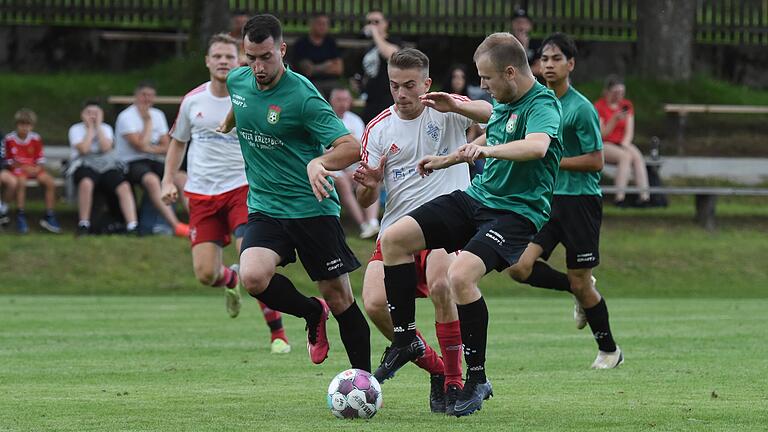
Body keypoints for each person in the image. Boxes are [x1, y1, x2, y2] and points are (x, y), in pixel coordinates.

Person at [372, 33, 563, 417]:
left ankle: (476, 379)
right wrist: (446, 160)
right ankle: (407, 338)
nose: (484, 86)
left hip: (515, 214)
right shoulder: (504, 101)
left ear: (510, 72)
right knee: (394, 239)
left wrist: (486, 149)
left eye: (488, 79)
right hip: (477, 199)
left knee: (460, 277)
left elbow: (537, 146)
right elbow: (486, 114)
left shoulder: (543, 104)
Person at [218, 14, 370, 371]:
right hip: (266, 207)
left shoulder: (303, 97)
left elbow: (350, 147)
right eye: (251, 57)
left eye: (266, 57)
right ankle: (310, 311)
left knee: (340, 298)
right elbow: (239, 103)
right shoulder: (238, 81)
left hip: (312, 208)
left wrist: (319, 163)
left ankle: (365, 381)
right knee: (253, 277)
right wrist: (227, 123)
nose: (258, 66)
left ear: (282, 50)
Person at [354, 48, 491, 415]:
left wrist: (457, 106)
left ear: (426, 84)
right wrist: (369, 183)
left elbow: (494, 114)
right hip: (398, 230)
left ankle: (453, 381)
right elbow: (365, 197)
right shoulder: (378, 128)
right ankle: (432, 365)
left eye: (410, 85)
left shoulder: (446, 109)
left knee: (442, 284)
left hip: (447, 224)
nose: (401, 94)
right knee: (373, 303)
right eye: (395, 86)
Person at [160, 33, 291, 354]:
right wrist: (167, 180)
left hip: (243, 189)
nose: (222, 61)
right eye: (216, 56)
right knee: (206, 274)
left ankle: (278, 335)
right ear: (207, 61)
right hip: (202, 193)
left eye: (229, 57)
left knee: (253, 265)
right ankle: (229, 281)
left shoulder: (252, 97)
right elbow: (178, 141)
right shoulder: (193, 101)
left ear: (241, 61)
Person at [507, 33, 622, 369]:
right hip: (545, 201)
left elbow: (597, 160)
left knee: (583, 281)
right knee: (518, 266)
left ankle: (609, 351)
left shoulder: (581, 108)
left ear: (570, 64)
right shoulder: (536, 103)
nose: (549, 64)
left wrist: (552, 159)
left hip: (580, 203)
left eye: (557, 58)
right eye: (544, 59)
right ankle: (575, 291)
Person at [114, 81, 189, 237]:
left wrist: (149, 147)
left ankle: (198, 223)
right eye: (143, 95)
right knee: (152, 180)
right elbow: (138, 146)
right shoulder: (126, 116)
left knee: (181, 177)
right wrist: (147, 122)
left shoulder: (158, 114)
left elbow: (166, 146)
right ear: (136, 96)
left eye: (150, 96)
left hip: (152, 159)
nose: (147, 99)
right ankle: (176, 225)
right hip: (130, 162)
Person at [67, 101, 138, 236]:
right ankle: (84, 224)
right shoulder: (75, 129)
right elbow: (84, 149)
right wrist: (89, 129)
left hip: (106, 165)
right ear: (82, 115)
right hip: (84, 164)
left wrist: (98, 127)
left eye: (96, 113)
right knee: (86, 183)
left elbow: (106, 148)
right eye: (89, 113)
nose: (92, 116)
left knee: (123, 185)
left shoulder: (106, 128)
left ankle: (132, 225)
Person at [328, 87, 380, 239]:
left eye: (345, 100)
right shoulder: (327, 119)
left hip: (353, 167)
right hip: (332, 168)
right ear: (331, 101)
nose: (343, 104)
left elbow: (363, 148)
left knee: (370, 177)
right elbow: (324, 151)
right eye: (339, 100)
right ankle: (363, 225)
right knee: (343, 181)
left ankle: (372, 223)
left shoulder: (355, 120)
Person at [2, 109, 61, 234]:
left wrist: (37, 169)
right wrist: (24, 168)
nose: (24, 128)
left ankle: (49, 215)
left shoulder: (35, 138)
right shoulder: (9, 139)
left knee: (49, 182)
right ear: (16, 125)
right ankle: (20, 214)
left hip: (34, 170)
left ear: (32, 126)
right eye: (21, 124)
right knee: (21, 182)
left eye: (27, 125)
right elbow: (9, 161)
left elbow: (40, 159)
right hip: (19, 170)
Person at [594, 75, 650, 206]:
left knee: (637, 156)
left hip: (621, 142)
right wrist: (614, 119)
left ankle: (644, 196)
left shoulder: (626, 105)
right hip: (605, 143)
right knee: (625, 157)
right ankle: (620, 197)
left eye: (621, 93)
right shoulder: (599, 106)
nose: (619, 96)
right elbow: (601, 133)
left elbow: (629, 130)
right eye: (615, 92)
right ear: (607, 92)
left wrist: (625, 144)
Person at [359, 9, 402, 123]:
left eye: (376, 22)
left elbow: (390, 55)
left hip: (388, 98)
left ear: (385, 23)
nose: (372, 25)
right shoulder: (370, 47)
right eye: (369, 22)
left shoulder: (393, 41)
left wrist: (375, 33)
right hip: (371, 99)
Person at [291, 13, 343, 98]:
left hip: (331, 82)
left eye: (326, 24)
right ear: (311, 24)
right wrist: (327, 65)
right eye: (320, 23)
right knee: (317, 96)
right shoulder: (301, 43)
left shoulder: (331, 42)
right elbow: (307, 70)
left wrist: (315, 68)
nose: (323, 26)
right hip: (309, 83)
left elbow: (338, 69)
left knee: (341, 95)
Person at [511, 9, 541, 76]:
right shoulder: (507, 42)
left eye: (524, 22)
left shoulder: (536, 44)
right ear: (512, 24)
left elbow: (539, 68)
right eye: (518, 22)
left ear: (530, 26)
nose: (521, 26)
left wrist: (525, 45)